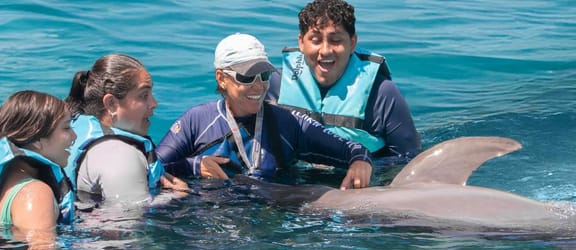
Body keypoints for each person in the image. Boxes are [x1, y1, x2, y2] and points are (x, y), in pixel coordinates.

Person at [157, 33, 373, 190]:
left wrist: (360, 162)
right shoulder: (197, 121)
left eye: (264, 76)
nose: (259, 86)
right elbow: (150, 168)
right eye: (247, 77)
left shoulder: (288, 123)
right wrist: (194, 166)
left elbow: (354, 149)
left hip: (271, 219)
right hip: (208, 220)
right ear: (221, 79)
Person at [268, 0, 422, 161]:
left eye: (336, 41)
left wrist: (366, 166)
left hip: (362, 173)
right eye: (315, 40)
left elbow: (408, 158)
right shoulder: (277, 85)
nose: (325, 51)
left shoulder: (382, 93)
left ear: (352, 43)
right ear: (301, 42)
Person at [65, 54, 187, 211]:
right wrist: (176, 195)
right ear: (111, 104)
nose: (154, 103)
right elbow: (126, 222)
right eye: (144, 95)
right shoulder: (119, 155)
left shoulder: (73, 128)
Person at [0, 90, 76, 231]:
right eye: (66, 128)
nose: (74, 136)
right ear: (37, 140)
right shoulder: (35, 195)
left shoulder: (8, 177)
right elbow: (40, 246)